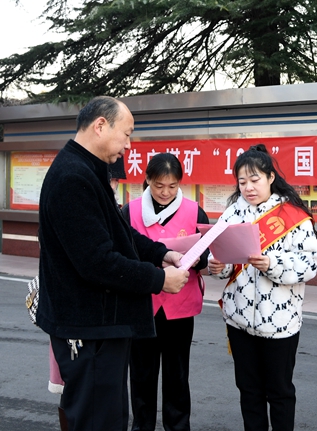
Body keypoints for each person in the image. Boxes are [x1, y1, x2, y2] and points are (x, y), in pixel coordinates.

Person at [37, 96, 190, 431]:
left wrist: (160, 253)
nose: (129, 145)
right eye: (127, 133)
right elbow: (97, 262)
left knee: (109, 417)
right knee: (98, 420)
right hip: (89, 329)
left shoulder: (87, 170)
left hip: (100, 326)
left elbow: (119, 233)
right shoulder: (72, 178)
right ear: (100, 126)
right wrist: (158, 280)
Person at [207, 144, 317, 431]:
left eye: (255, 179)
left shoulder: (292, 215)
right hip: (239, 319)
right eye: (242, 181)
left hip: (280, 322)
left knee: (280, 392)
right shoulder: (231, 214)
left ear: (270, 177)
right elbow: (222, 258)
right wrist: (217, 267)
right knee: (249, 391)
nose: (248, 187)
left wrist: (272, 264)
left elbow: (310, 264)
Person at [121, 153, 209, 431]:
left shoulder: (195, 211)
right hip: (141, 305)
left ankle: (178, 427)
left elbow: (206, 255)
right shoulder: (129, 211)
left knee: (177, 376)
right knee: (141, 375)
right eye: (159, 185)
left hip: (180, 307)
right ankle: (142, 426)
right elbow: (121, 254)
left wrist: (200, 260)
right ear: (148, 180)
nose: (165, 192)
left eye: (172, 186)